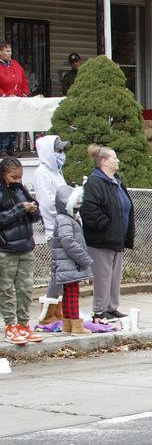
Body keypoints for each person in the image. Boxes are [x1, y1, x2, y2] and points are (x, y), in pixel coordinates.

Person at [80, 145, 135, 322]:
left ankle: (111, 308)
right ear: (103, 161)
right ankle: (99, 310)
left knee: (114, 276)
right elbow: (89, 210)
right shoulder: (95, 182)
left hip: (116, 238)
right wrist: (108, 226)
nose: (117, 160)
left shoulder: (116, 181)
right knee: (102, 276)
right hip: (101, 239)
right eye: (114, 157)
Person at [0, 156, 42, 344]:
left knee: (25, 289)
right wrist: (19, 210)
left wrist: (33, 210)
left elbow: (35, 219)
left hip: (26, 246)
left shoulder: (21, 190)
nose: (17, 181)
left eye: (20, 177)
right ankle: (10, 325)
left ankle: (24, 325)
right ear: (3, 175)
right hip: (6, 248)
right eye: (13, 177)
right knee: (6, 290)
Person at [32, 134, 70, 325]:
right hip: (55, 229)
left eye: (62, 150)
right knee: (58, 270)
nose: (61, 154)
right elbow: (47, 204)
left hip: (65, 226)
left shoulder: (57, 172)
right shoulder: (42, 172)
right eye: (58, 150)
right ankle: (47, 313)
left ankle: (57, 311)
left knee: (63, 271)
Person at [50, 186, 93, 335]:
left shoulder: (66, 218)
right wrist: (84, 259)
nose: (78, 205)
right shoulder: (65, 220)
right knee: (72, 293)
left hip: (67, 263)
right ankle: (75, 324)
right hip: (70, 263)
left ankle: (68, 324)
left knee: (68, 293)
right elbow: (68, 241)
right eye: (76, 202)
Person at [0, 41, 30, 155]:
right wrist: (5, 95)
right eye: (7, 51)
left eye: (10, 51)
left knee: (15, 124)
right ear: (0, 52)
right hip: (3, 102)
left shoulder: (16, 64)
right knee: (4, 124)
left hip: (17, 100)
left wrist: (23, 94)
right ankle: (3, 149)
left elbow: (24, 82)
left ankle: (12, 149)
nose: (9, 53)